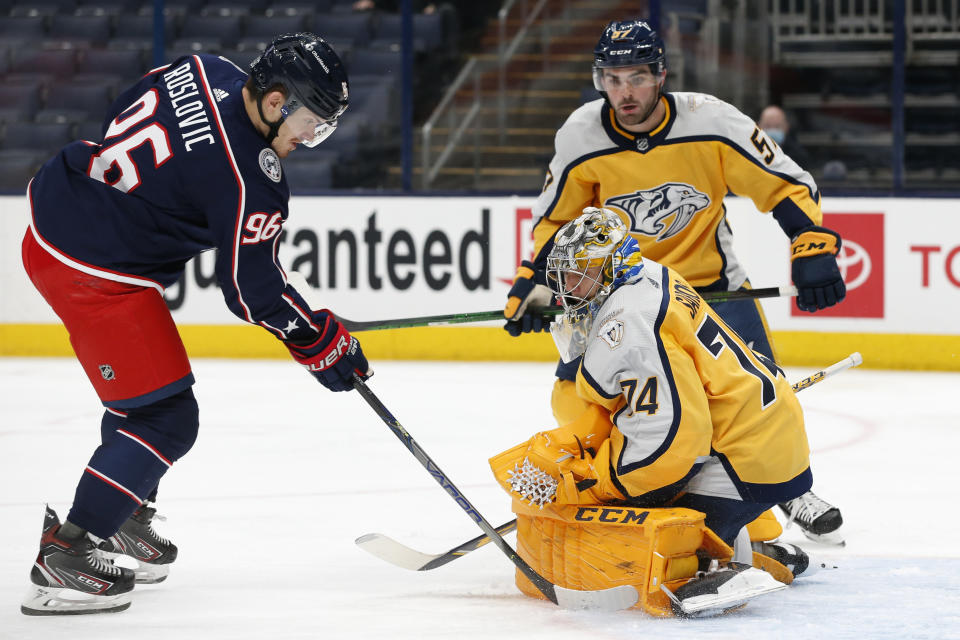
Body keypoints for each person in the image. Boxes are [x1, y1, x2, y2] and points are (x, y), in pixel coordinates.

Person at [19, 33, 371, 616]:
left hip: (59, 207)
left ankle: (124, 511)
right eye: (311, 120)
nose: (310, 137)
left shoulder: (205, 69)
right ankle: (69, 551)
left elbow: (126, 110)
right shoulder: (251, 178)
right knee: (166, 417)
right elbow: (249, 291)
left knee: (142, 396)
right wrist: (322, 343)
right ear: (278, 99)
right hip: (93, 270)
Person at [502, 19, 846, 543]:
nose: (623, 93)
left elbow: (784, 184)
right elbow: (555, 221)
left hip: (709, 289)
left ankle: (788, 491)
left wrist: (811, 243)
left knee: (762, 394)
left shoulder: (713, 122)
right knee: (606, 402)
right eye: (611, 80)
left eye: (636, 78)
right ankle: (617, 486)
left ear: (661, 75)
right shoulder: (580, 135)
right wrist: (537, 283)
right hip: (616, 299)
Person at [491, 209, 818, 616]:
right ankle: (759, 550)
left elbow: (672, 435)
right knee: (646, 489)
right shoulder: (645, 272)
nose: (564, 288)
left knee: (636, 527)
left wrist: (600, 481)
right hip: (769, 440)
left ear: (609, 266)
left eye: (576, 274)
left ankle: (713, 565)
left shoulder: (629, 324)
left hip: (746, 463)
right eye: (562, 275)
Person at [758, 104, 811, 169]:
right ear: (759, 126)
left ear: (786, 127)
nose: (773, 130)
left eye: (777, 127)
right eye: (767, 126)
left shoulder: (798, 155)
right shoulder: (751, 151)